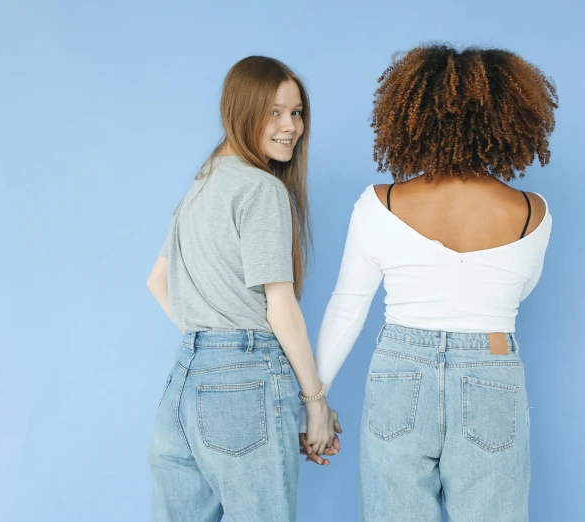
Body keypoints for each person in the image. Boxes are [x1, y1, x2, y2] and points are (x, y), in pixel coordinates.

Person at [301, 44, 558, 521]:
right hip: (493, 369)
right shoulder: (532, 213)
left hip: (400, 369)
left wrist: (312, 403)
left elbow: (347, 306)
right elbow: (519, 290)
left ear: (412, 117)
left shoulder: (381, 203)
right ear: (508, 118)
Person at [146, 55, 340, 522]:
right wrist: (315, 404)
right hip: (245, 384)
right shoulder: (260, 189)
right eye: (274, 112)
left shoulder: (200, 187)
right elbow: (280, 306)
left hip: (183, 386)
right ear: (242, 110)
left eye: (296, 112)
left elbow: (156, 281)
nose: (290, 126)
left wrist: (211, 344)